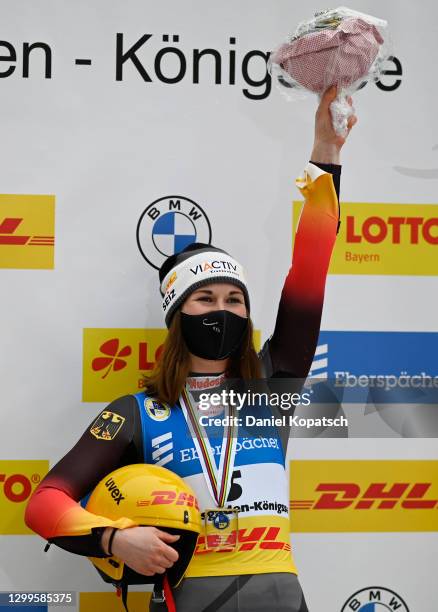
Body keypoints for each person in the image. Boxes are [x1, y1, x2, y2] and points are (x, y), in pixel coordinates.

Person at [25, 86, 357, 611]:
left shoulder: (271, 385)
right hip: (189, 597)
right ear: (178, 316)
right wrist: (114, 540)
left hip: (282, 595)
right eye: (204, 298)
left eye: (234, 299)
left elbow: (312, 266)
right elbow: (44, 503)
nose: (221, 309)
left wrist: (327, 153)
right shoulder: (136, 413)